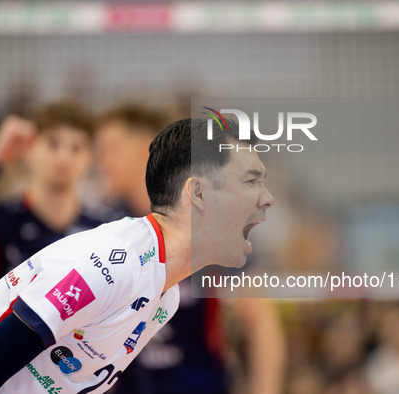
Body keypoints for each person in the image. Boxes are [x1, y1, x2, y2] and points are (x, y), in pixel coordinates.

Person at [0, 117, 274, 394]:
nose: (265, 199)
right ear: (198, 195)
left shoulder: (167, 294)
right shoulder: (112, 263)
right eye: (249, 182)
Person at [95, 104, 285, 394]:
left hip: (199, 384)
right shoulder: (105, 226)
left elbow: (260, 323)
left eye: (112, 148)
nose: (102, 161)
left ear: (145, 148)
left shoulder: (212, 222)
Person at [0, 100, 110, 289]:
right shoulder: (2, 219)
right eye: (53, 144)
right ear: (29, 150)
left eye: (76, 148)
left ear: (89, 158)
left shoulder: (100, 228)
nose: (64, 157)